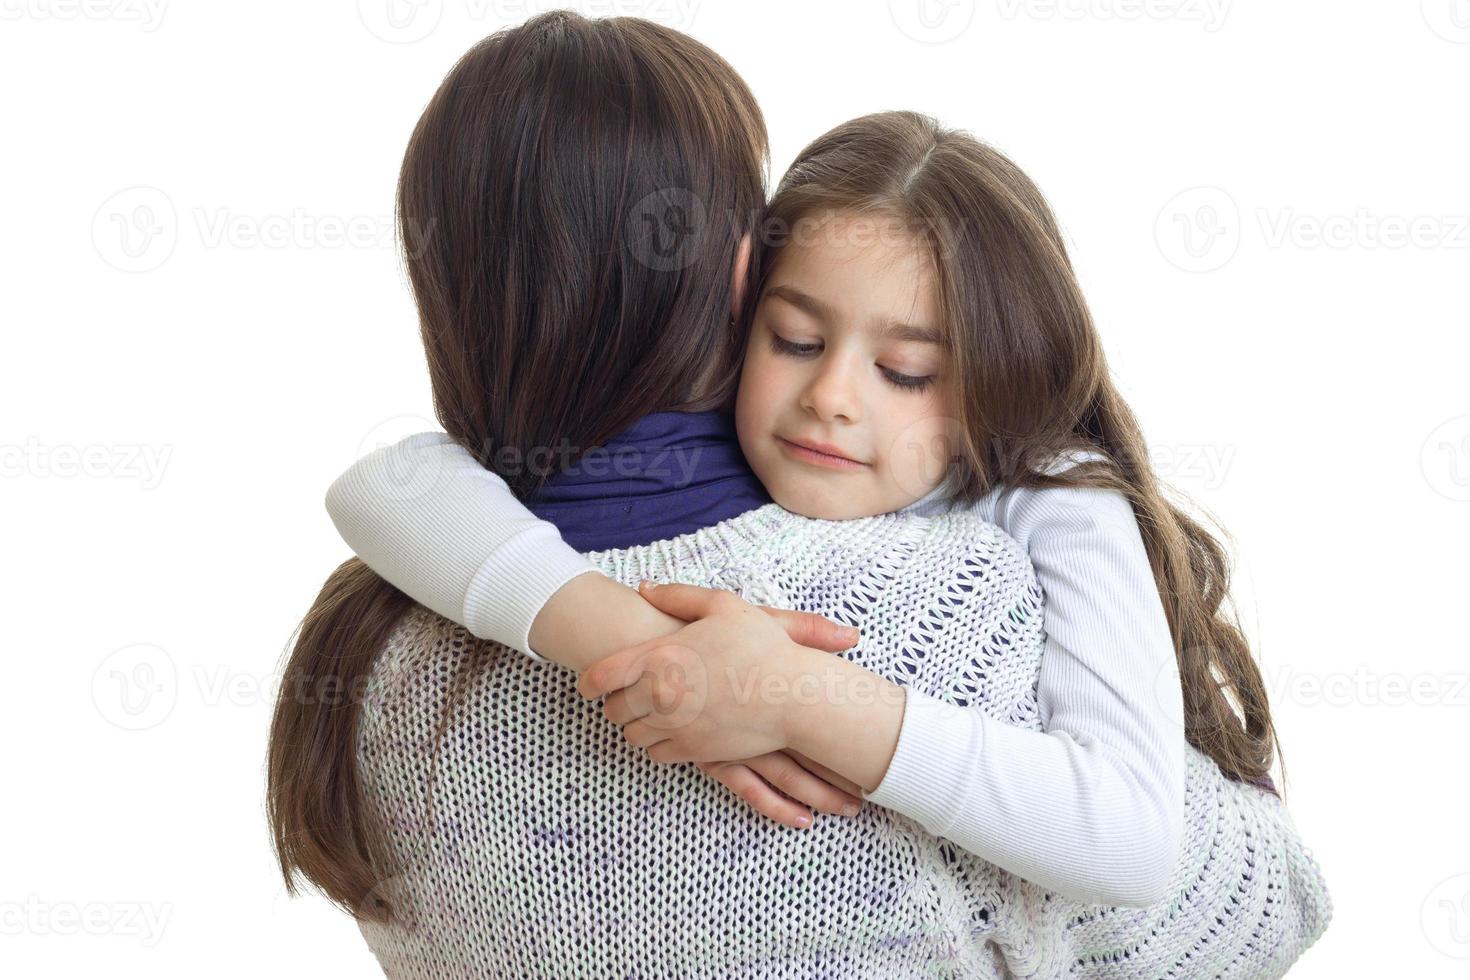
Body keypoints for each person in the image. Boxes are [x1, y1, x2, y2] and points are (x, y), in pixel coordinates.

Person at [271, 11, 1330, 977]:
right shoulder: (955, 609)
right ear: (739, 282)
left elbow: (1127, 838)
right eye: (797, 337)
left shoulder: (372, 647)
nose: (832, 398)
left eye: (907, 371)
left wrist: (795, 693)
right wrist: (628, 636)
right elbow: (1248, 911)